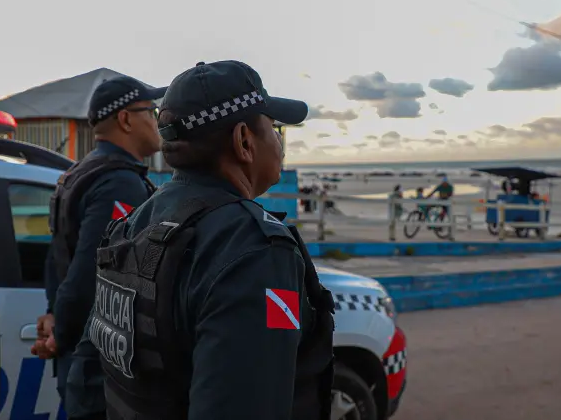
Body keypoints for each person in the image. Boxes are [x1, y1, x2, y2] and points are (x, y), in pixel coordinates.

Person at [71, 60, 335, 420]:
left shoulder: (132, 225)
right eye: (273, 128)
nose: (279, 141)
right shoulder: (253, 250)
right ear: (244, 141)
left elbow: (86, 375)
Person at [30, 75, 166, 420]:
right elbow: (95, 270)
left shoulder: (79, 173)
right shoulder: (119, 182)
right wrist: (62, 333)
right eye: (151, 111)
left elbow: (57, 256)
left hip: (82, 361)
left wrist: (54, 314)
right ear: (126, 119)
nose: (157, 121)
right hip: (100, 365)